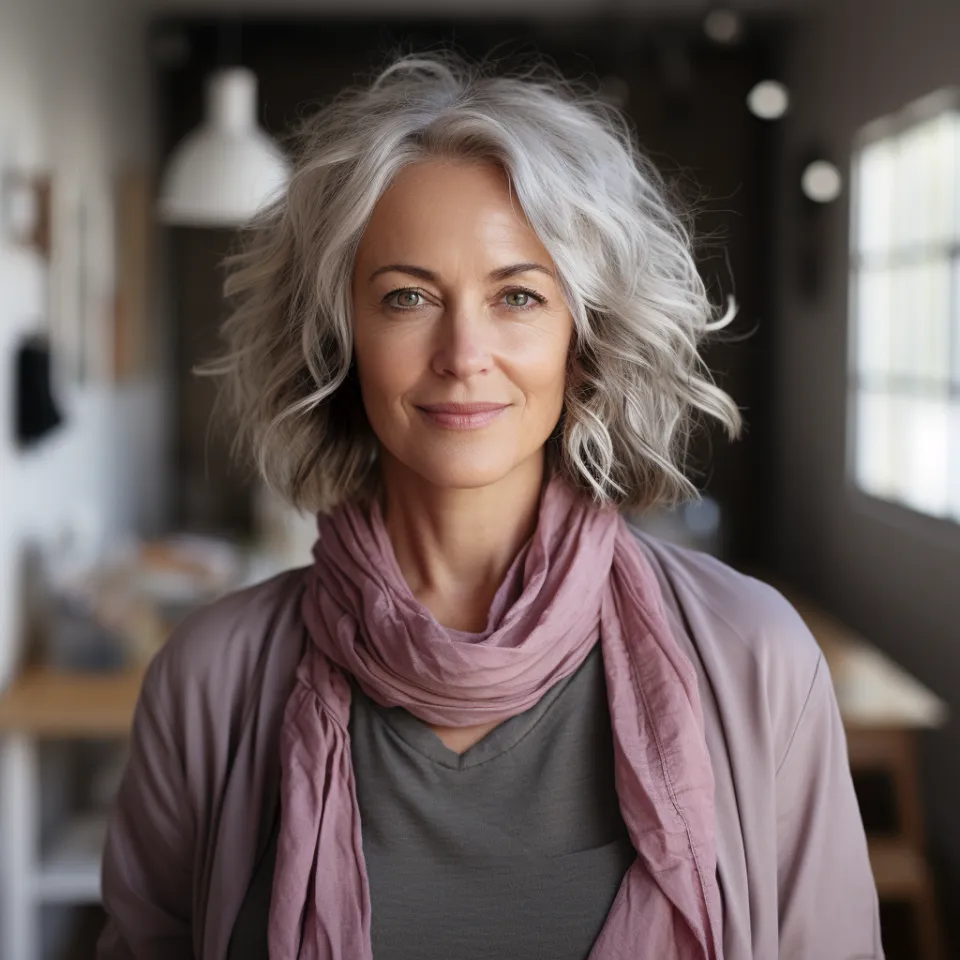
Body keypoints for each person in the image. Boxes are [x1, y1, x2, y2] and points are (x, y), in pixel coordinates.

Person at [98, 53, 882, 960]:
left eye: (517, 295)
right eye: (407, 297)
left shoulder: (756, 658)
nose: (463, 352)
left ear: (583, 342)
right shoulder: (210, 681)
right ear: (337, 342)